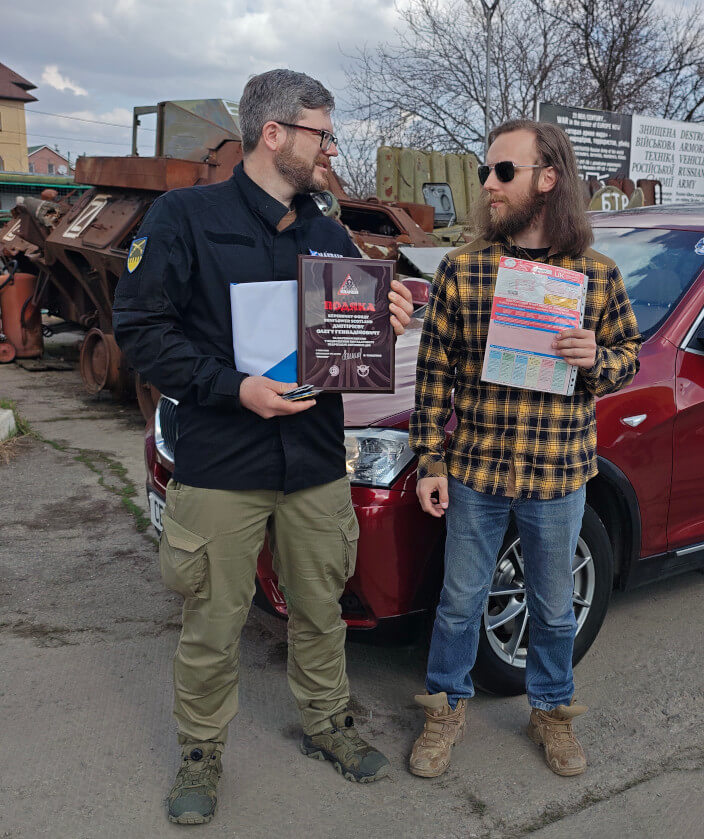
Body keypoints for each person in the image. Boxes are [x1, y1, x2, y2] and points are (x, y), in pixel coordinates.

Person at [113, 69, 413, 825]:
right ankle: (201, 750)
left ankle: (329, 724)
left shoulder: (326, 228)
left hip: (314, 460)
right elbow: (142, 334)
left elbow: (343, 339)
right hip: (224, 461)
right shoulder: (185, 217)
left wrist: (389, 313)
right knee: (214, 617)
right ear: (274, 133)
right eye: (322, 133)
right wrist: (234, 386)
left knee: (320, 605)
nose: (331, 149)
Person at [407, 119, 640, 778]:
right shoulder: (464, 268)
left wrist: (598, 357)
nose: (488, 183)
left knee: (554, 607)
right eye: (486, 171)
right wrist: (430, 460)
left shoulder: (595, 275)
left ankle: (551, 711)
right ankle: (445, 709)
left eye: (503, 171)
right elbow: (433, 377)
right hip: (477, 471)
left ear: (547, 179)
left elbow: (629, 358)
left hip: (559, 474)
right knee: (458, 603)